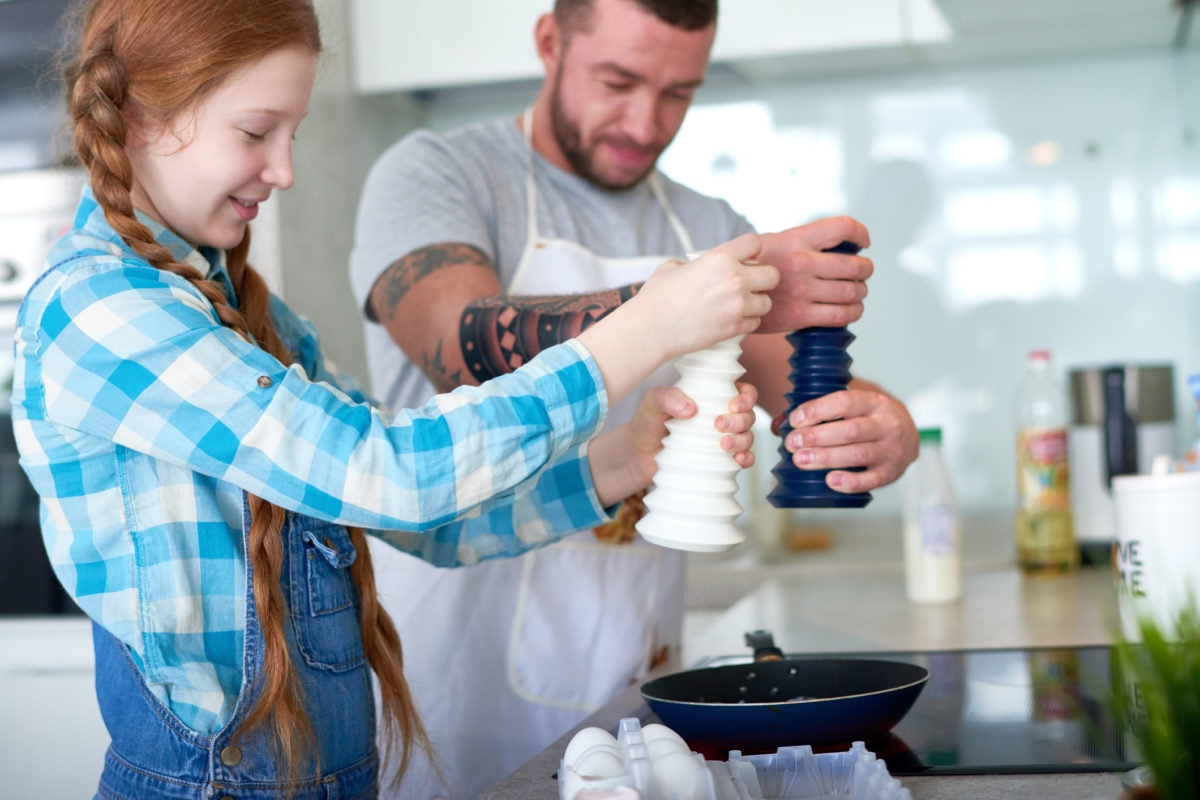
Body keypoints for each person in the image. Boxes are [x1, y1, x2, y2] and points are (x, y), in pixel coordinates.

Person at [10, 1, 780, 797]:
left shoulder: (246, 314)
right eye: (255, 132)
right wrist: (638, 333)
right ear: (140, 119)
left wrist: (618, 461)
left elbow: (430, 517)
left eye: (292, 134)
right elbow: (385, 471)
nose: (284, 171)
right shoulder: (100, 310)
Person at [349, 0, 920, 796]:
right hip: (446, 683)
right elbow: (462, 349)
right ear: (550, 42)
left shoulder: (707, 223)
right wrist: (677, 306)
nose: (645, 122)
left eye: (678, 93)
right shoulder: (439, 173)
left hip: (631, 689)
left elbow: (807, 397)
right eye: (617, 81)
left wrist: (885, 428)